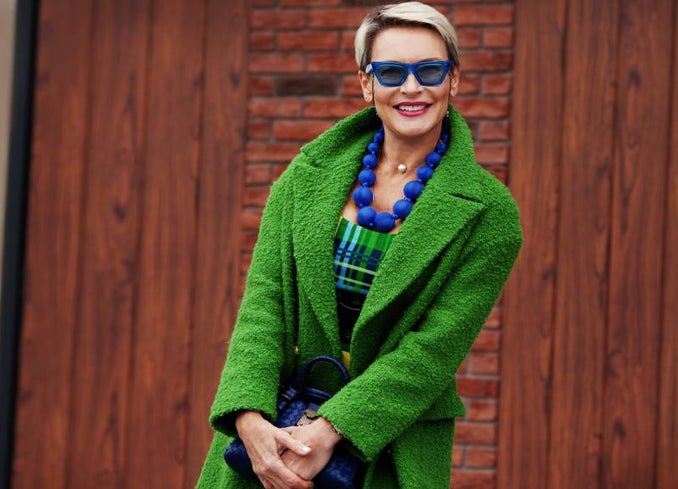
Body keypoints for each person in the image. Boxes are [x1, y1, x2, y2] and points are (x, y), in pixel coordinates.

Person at [195, 2, 522, 488]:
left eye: (429, 69)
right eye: (391, 71)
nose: (411, 88)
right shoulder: (305, 177)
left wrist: (331, 429)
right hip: (272, 428)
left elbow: (431, 352)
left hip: (389, 445)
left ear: (453, 79)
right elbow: (264, 306)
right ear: (367, 84)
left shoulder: (490, 213)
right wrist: (249, 416)